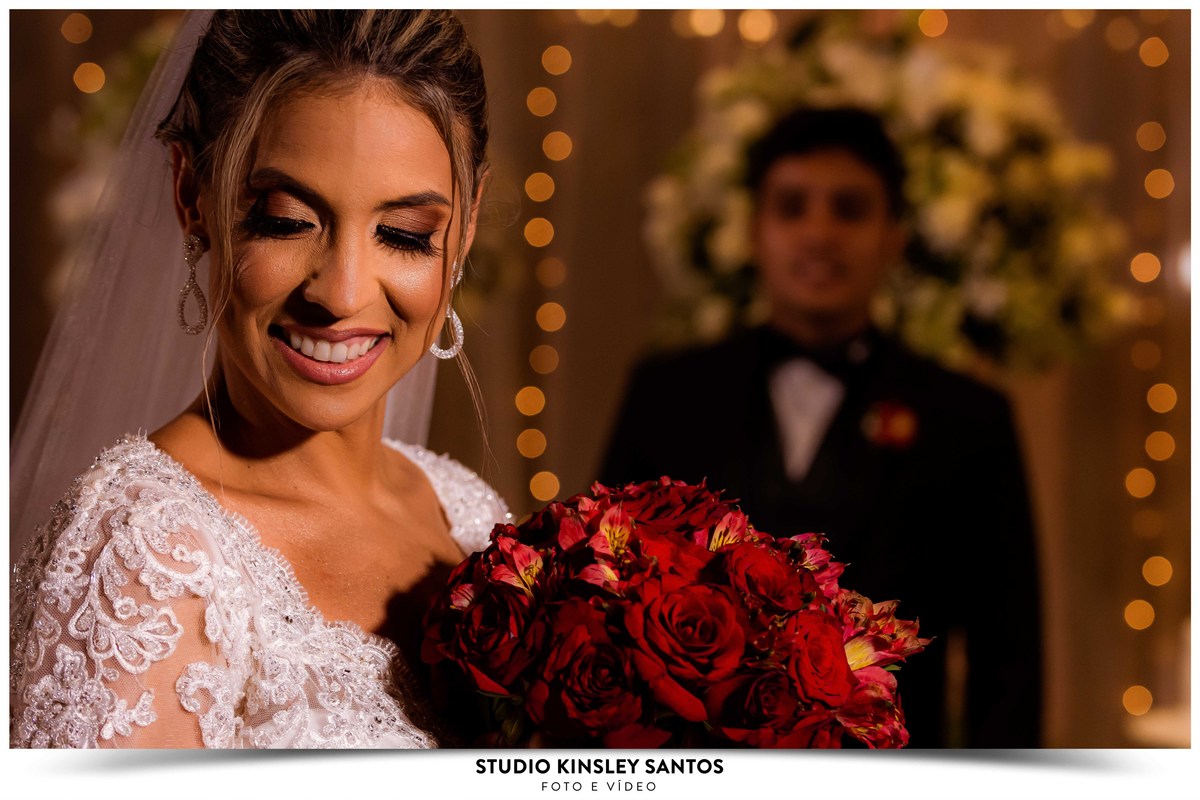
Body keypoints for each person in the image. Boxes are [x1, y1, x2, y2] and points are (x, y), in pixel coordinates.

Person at [9, 10, 511, 749]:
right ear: (192, 195)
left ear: (464, 228)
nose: (341, 294)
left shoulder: (469, 515)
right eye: (285, 220)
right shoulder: (145, 556)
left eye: (404, 235)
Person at [602, 107, 1043, 747]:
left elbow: (1009, 664)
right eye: (792, 207)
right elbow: (605, 594)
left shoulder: (968, 418)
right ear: (755, 231)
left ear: (894, 237)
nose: (819, 233)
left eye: (849, 209)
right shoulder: (668, 395)